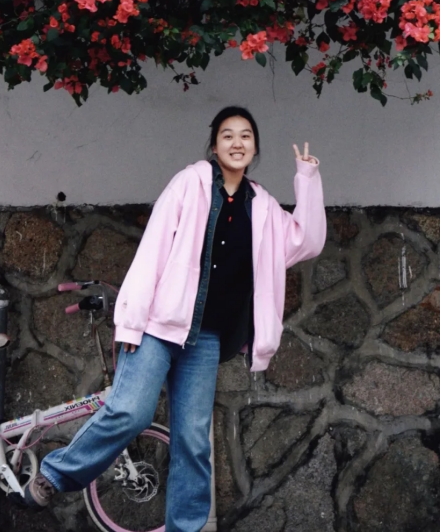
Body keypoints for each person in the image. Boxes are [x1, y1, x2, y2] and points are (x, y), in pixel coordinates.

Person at [25, 105, 326, 531]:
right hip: (156, 328)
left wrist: (307, 177)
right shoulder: (190, 183)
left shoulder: (262, 206)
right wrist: (131, 321)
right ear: (214, 145)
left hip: (206, 340)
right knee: (130, 412)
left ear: (255, 147)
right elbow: (153, 251)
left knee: (192, 442)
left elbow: (307, 241)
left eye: (245, 135)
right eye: (227, 135)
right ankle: (55, 476)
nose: (237, 143)